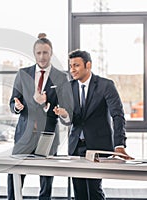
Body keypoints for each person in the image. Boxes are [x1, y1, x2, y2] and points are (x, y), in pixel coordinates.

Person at [55, 49, 133, 200]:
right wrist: (64, 115)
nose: (72, 70)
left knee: (94, 190)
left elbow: (118, 115)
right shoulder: (68, 88)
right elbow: (70, 120)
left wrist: (119, 144)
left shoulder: (106, 85)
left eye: (76, 65)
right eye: (71, 66)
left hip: (97, 146)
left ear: (88, 65)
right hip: (76, 146)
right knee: (79, 191)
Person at [8, 33, 73, 200]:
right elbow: (13, 102)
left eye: (45, 52)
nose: (42, 57)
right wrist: (17, 106)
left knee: (46, 180)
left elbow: (65, 109)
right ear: (34, 53)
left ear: (51, 53)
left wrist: (45, 105)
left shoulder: (61, 77)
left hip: (48, 136)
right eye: (39, 53)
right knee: (14, 175)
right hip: (24, 134)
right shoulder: (23, 74)